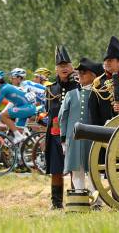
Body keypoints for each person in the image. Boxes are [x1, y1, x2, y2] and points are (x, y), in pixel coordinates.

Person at [59, 57, 103, 191]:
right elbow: (63, 117)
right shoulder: (71, 94)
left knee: (93, 170)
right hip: (74, 138)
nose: (80, 75)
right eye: (79, 73)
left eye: (84, 72)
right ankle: (79, 198)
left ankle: (97, 201)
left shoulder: (99, 94)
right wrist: (63, 139)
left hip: (93, 138)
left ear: (93, 75)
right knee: (76, 171)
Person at [44, 45, 79, 210]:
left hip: (73, 134)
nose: (64, 68)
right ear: (56, 69)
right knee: (56, 170)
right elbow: (48, 111)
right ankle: (56, 203)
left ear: (72, 67)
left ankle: (75, 200)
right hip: (55, 134)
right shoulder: (50, 89)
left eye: (66, 65)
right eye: (60, 66)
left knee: (74, 169)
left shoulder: (78, 87)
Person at [0, 71, 36, 143]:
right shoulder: (6, 87)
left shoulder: (4, 88)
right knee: (18, 132)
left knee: (3, 115)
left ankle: (18, 136)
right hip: (26, 107)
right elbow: (11, 103)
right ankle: (25, 148)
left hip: (27, 107)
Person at [89, 36, 119, 127]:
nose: (106, 63)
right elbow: (93, 111)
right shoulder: (98, 83)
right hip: (104, 130)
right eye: (105, 60)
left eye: (110, 60)